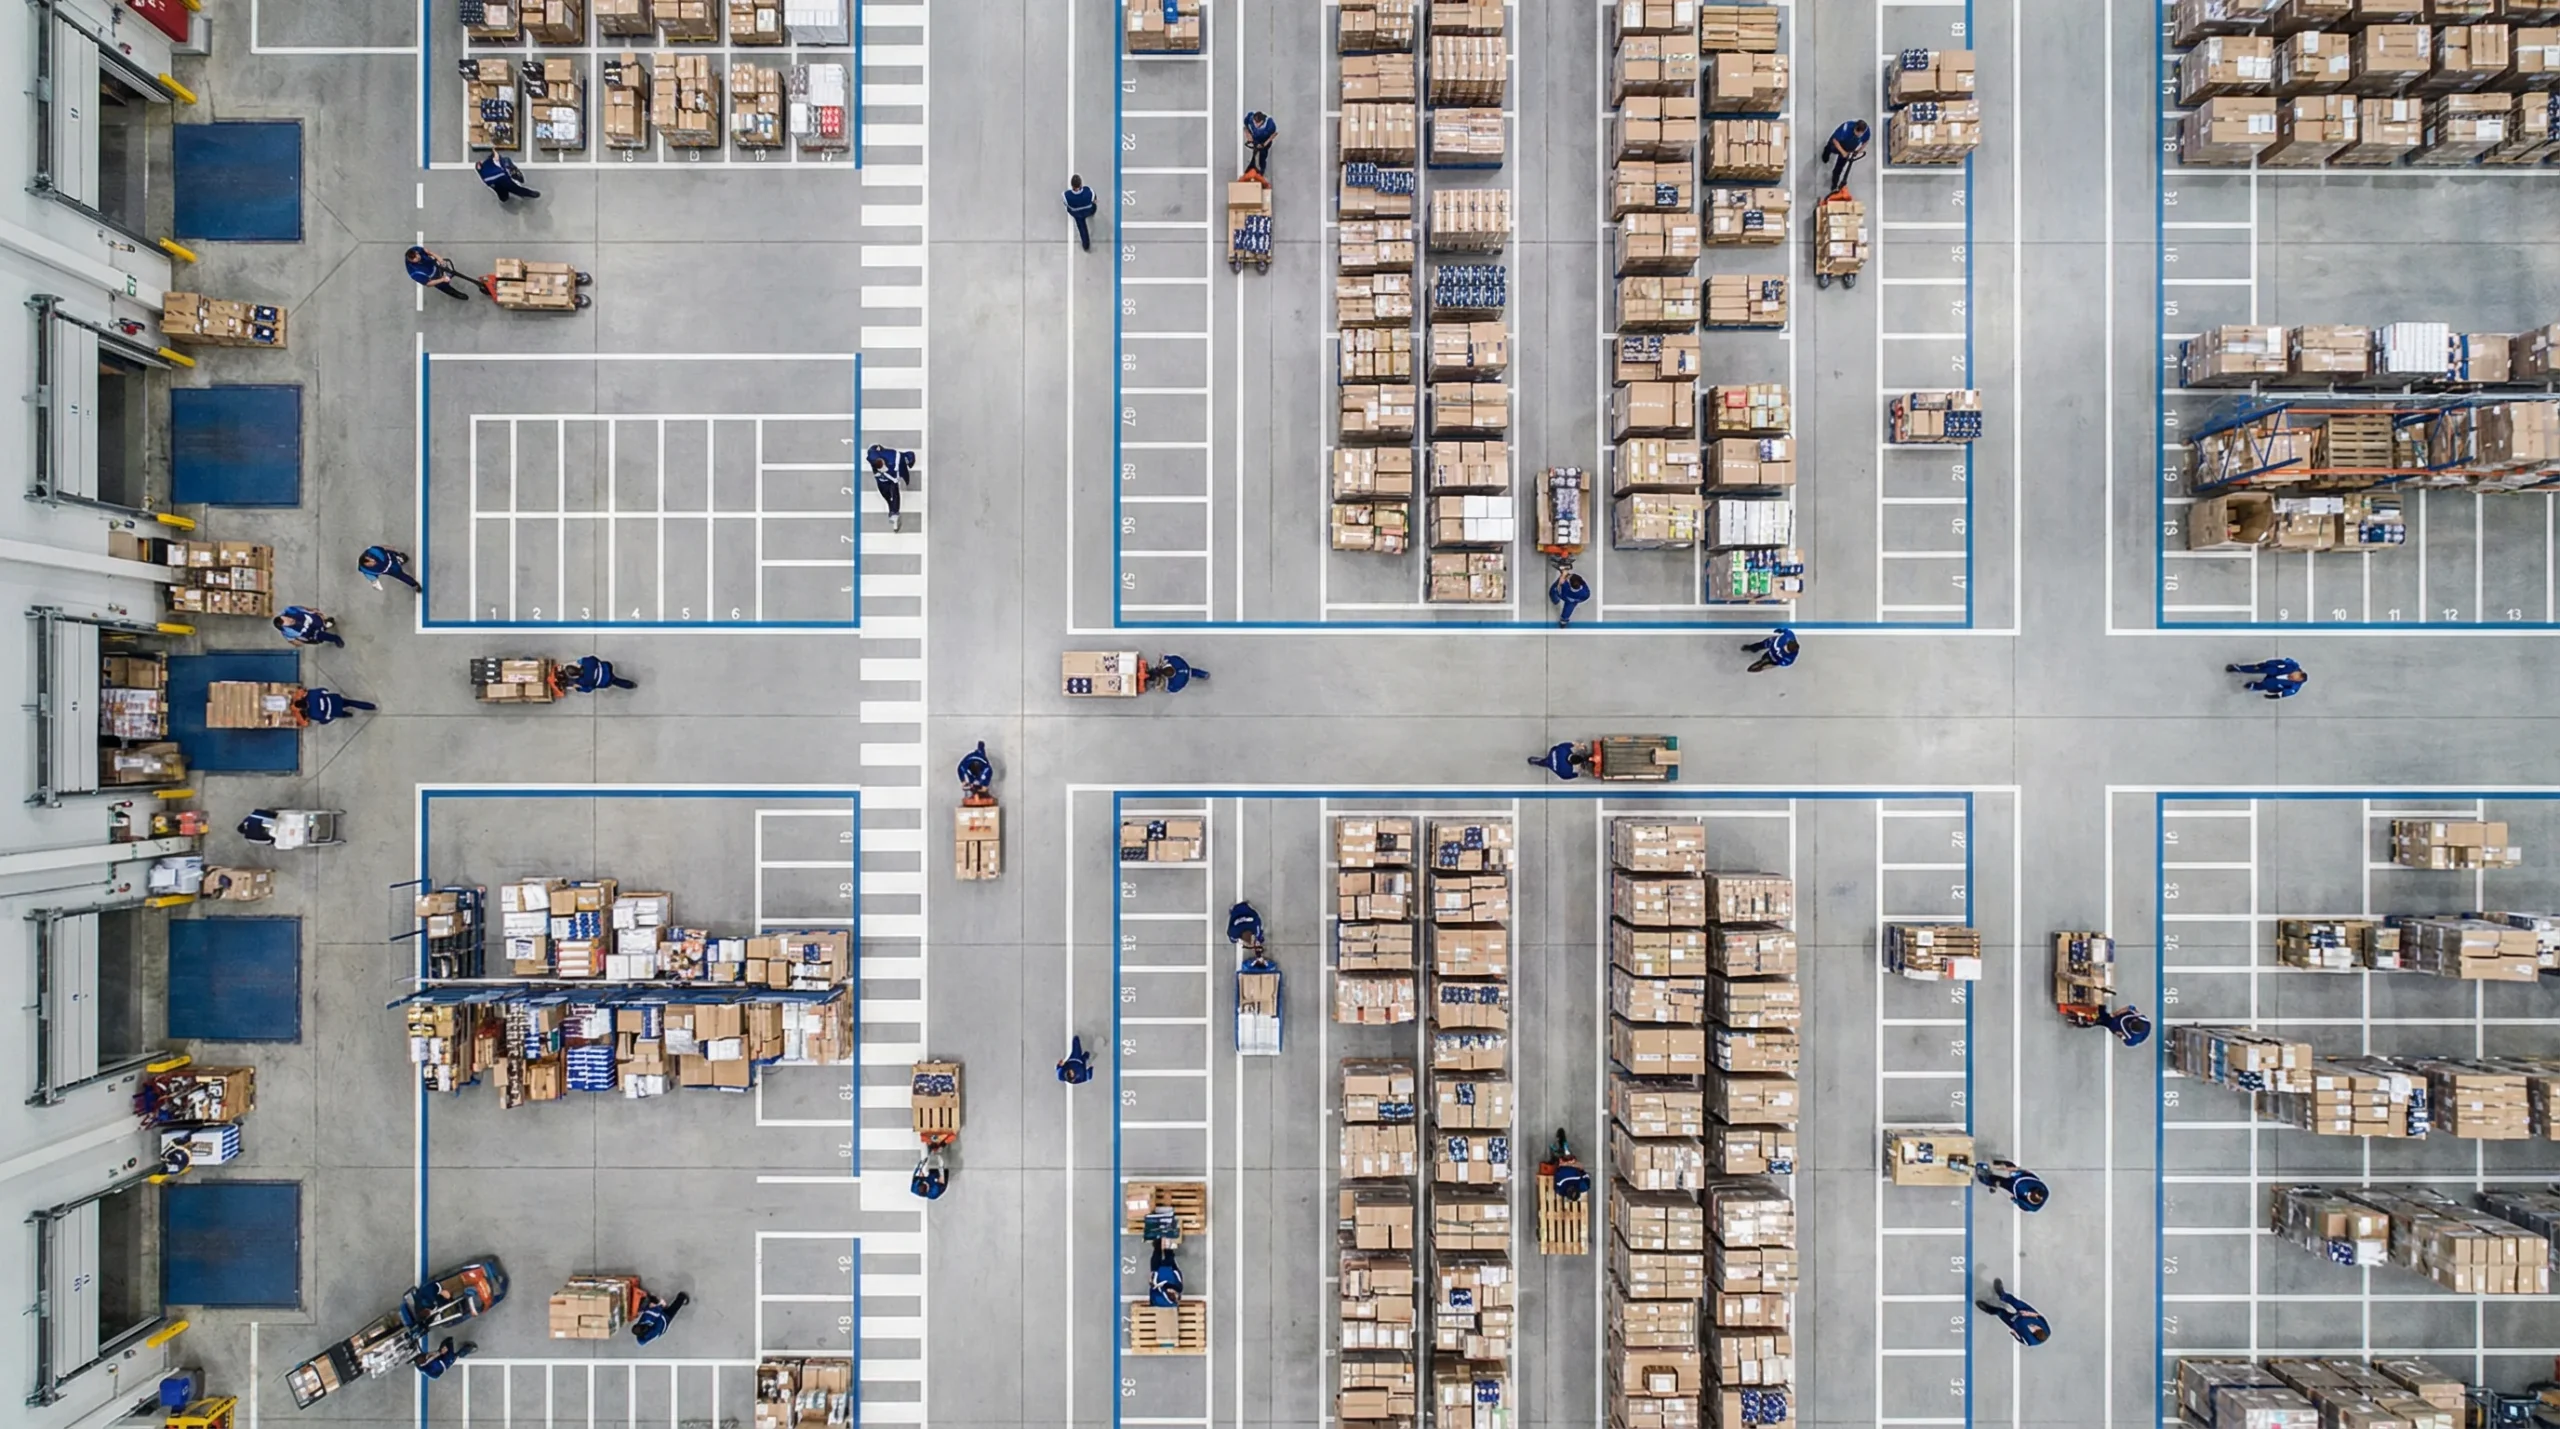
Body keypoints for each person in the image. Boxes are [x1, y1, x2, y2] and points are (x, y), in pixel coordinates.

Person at [1975, 1279, 2050, 1347]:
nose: (2034, 1327)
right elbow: (2039, 1316)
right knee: (2015, 1301)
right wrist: (2028, 1313)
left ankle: (1989, 1309)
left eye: (2033, 1329)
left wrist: (2014, 1333)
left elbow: (2020, 1339)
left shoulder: (2030, 1341)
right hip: (2027, 1313)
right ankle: (2002, 1294)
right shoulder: (2047, 1330)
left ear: (2033, 1335)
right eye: (2036, 1326)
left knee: (2001, 1312)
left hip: (2016, 1323)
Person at [1974, 1158, 2051, 1213]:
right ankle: (1991, 1163)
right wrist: (2014, 1171)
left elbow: (2021, 1204)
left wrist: (2015, 1200)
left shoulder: (2031, 1207)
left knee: (1995, 1181)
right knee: (2010, 1165)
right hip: (2021, 1177)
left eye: (2030, 1197)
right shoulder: (2030, 1183)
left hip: (2013, 1188)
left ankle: (1981, 1176)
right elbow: (2026, 1175)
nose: (2029, 1195)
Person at [405, 245, 471, 301]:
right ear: (411, 260)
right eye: (415, 258)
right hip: (434, 277)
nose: (418, 257)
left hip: (436, 266)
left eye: (417, 255)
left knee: (451, 272)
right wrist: (442, 279)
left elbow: (429, 252)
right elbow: (428, 284)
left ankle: (449, 275)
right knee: (445, 287)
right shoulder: (415, 273)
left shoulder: (416, 249)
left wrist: (440, 259)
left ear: (416, 252)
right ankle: (456, 294)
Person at [1823, 118, 1871, 191]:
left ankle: (1834, 185)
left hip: (1848, 148)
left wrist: (1859, 150)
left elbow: (1866, 141)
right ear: (1854, 128)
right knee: (1830, 148)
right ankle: (1826, 152)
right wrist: (1843, 152)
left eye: (1860, 134)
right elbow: (1835, 140)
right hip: (1838, 143)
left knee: (1838, 169)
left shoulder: (1866, 131)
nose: (1858, 135)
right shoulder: (1846, 128)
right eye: (1857, 133)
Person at [475, 152, 542, 203]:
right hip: (496, 183)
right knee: (503, 197)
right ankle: (505, 196)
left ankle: (529, 193)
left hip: (503, 180)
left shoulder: (503, 162)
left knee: (515, 189)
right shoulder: (486, 168)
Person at [2228, 657, 2307, 699]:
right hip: (2277, 671)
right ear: (2298, 671)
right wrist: (2264, 664)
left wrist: (2274, 696)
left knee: (2268, 684)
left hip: (2276, 683)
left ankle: (2255, 686)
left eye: (2292, 678)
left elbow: (2285, 693)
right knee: (2266, 668)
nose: (2290, 676)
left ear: (2297, 681)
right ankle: (2239, 668)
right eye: (2291, 674)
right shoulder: (2293, 665)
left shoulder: (2294, 687)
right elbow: (2279, 662)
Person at [1548, 1130, 1592, 1201]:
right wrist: (1575, 1166)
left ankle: (1557, 1150)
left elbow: (1556, 1174)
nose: (1571, 1187)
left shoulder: (1560, 1189)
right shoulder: (1584, 1186)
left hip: (1562, 1165)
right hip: (1572, 1164)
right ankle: (1563, 1148)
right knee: (1567, 1156)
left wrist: (1562, 1166)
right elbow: (1585, 1173)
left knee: (1558, 1156)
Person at [274, 606, 344, 647]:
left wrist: (311, 609)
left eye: (287, 618)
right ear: (285, 626)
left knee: (323, 624)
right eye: (288, 622)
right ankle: (336, 638)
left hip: (313, 620)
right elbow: (291, 640)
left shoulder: (290, 610)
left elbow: (300, 607)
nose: (290, 620)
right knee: (320, 635)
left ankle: (326, 624)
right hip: (310, 633)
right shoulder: (287, 632)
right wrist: (299, 643)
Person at [299, 688, 377, 724]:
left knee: (339, 714)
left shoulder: (311, 714)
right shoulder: (311, 694)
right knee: (351, 702)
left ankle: (348, 714)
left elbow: (323, 719)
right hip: (336, 700)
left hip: (335, 711)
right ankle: (371, 706)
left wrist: (330, 718)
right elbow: (325, 690)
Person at [1064, 175, 1100, 252]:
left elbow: (1066, 204)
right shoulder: (1088, 191)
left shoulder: (1066, 195)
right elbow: (1095, 200)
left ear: (1072, 185)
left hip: (1077, 214)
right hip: (1088, 211)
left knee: (1082, 228)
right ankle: (1092, 213)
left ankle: (1086, 245)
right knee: (1093, 206)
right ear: (1080, 184)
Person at [571, 655, 638, 692]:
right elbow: (594, 658)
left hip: (606, 681)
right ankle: (631, 685)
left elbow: (589, 689)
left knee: (615, 681)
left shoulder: (582, 681)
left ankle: (630, 685)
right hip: (607, 667)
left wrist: (578, 689)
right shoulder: (587, 662)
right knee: (612, 677)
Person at [872, 460, 904, 532]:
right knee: (890, 499)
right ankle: (893, 513)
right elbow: (892, 478)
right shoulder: (878, 471)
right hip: (884, 486)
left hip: (887, 485)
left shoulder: (886, 467)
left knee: (893, 498)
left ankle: (894, 514)